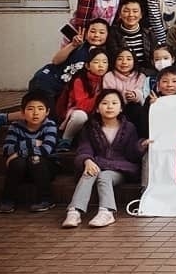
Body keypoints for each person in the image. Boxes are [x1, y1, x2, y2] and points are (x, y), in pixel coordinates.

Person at [61, 88, 146, 229]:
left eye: (114, 103)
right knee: (89, 173)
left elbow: (131, 154)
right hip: (97, 164)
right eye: (105, 103)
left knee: (104, 176)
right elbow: (84, 148)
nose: (109, 107)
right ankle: (74, 211)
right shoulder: (90, 128)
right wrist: (87, 160)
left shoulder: (129, 128)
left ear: (121, 108)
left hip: (120, 169)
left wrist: (141, 146)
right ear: (97, 108)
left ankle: (106, 212)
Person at [0, 91, 58, 214]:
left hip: (45, 168)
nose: (35, 113)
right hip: (22, 169)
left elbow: (45, 150)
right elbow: (7, 149)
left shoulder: (50, 125)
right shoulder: (15, 126)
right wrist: (32, 142)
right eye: (30, 109)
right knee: (17, 163)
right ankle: (7, 200)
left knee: (35, 159)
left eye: (40, 109)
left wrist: (18, 153)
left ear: (47, 112)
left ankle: (46, 200)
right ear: (22, 112)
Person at [102, 48, 149, 135]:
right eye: (120, 59)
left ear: (134, 61)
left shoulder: (141, 76)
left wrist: (135, 95)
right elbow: (108, 96)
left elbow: (143, 95)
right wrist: (123, 96)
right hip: (115, 109)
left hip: (136, 110)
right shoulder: (109, 76)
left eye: (129, 59)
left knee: (136, 108)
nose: (124, 62)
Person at [108, 0, 155, 72]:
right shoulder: (112, 34)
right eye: (126, 11)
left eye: (135, 11)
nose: (131, 14)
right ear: (120, 14)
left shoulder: (149, 34)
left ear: (141, 15)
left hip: (146, 73)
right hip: (122, 72)